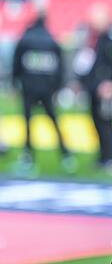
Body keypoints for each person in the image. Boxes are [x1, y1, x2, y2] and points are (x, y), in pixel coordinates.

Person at [12, 12, 73, 171]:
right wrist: (57, 87)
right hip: (47, 89)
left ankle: (28, 156)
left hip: (29, 87)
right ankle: (65, 154)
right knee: (53, 119)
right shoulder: (51, 40)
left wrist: (15, 82)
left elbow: (16, 64)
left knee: (27, 121)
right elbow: (60, 67)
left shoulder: (25, 40)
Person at [73, 4, 112, 169]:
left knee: (105, 122)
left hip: (105, 90)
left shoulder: (111, 39)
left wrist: (111, 83)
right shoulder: (92, 39)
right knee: (95, 120)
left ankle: (109, 157)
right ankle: (102, 155)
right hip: (92, 88)